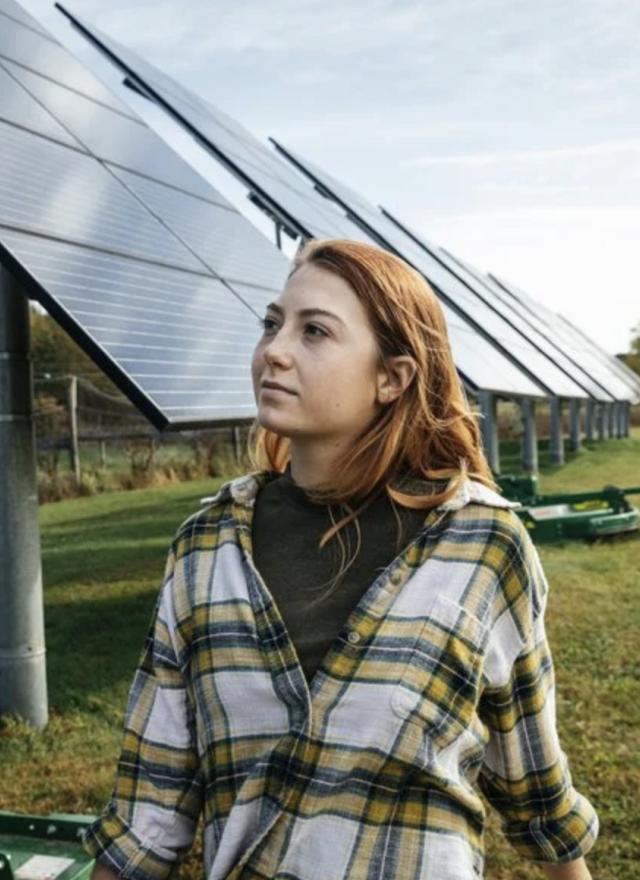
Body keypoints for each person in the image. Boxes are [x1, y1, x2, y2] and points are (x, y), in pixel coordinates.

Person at [82, 239, 599, 880]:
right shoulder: (205, 547)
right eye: (273, 324)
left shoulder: (483, 546)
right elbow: (147, 812)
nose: (274, 349)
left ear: (393, 377)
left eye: (315, 331)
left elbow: (536, 795)